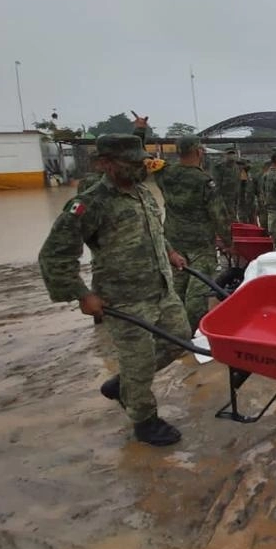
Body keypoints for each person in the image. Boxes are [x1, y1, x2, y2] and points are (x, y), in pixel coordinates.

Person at [38, 134, 191, 446]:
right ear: (105, 164)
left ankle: (124, 385)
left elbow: (154, 232)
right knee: (139, 360)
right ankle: (144, 420)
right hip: (124, 299)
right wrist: (82, 294)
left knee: (180, 340)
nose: (139, 168)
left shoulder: (144, 195)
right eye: (131, 163)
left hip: (162, 289)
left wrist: (171, 252)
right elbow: (54, 254)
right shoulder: (90, 203)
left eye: (141, 162)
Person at [135, 121, 232, 332]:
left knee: (176, 290)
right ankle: (193, 336)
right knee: (197, 294)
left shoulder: (163, 172)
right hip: (200, 247)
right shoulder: (204, 181)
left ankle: (174, 334)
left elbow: (140, 155)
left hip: (173, 245)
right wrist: (229, 243)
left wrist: (140, 130)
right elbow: (219, 217)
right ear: (199, 151)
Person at [212, 149, 241, 221]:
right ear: (225, 155)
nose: (231, 156)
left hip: (235, 195)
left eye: (233, 154)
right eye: (229, 154)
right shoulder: (220, 167)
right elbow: (216, 182)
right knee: (225, 215)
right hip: (224, 195)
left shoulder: (237, 167)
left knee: (233, 213)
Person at [237, 159, 258, 224]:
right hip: (242, 204)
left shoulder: (250, 175)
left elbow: (255, 188)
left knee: (253, 221)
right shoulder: (237, 175)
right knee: (243, 222)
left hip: (251, 203)